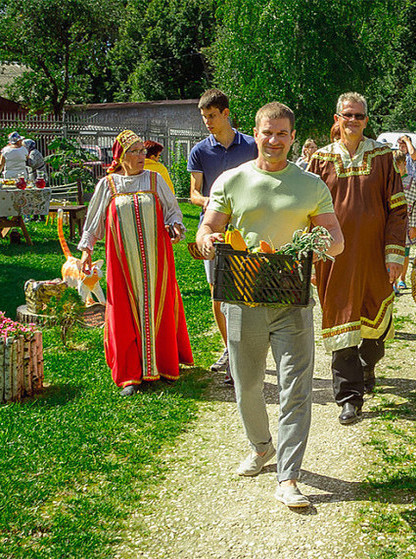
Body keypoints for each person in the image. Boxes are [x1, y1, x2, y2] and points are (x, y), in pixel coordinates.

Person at [195, 102, 344, 508]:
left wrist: (323, 243)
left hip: (292, 298)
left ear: (293, 137)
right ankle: (262, 447)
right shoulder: (231, 180)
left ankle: (289, 476)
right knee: (248, 385)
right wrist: (208, 237)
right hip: (243, 295)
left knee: (296, 388)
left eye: (282, 133)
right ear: (255, 133)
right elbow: (209, 224)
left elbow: (335, 236)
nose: (274, 140)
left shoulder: (311, 185)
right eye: (267, 132)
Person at [308, 92, 407, 425]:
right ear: (337, 118)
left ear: (367, 120)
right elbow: (305, 213)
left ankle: (367, 367)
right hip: (332, 258)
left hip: (375, 256)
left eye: (359, 116)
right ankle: (349, 397)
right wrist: (308, 254)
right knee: (340, 322)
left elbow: (397, 209)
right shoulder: (319, 161)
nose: (353, 121)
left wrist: (395, 253)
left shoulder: (383, 157)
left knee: (375, 327)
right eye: (347, 115)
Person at [78, 130, 193, 396]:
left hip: (157, 258)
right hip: (122, 261)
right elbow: (93, 220)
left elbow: (173, 209)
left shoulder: (154, 180)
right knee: (124, 311)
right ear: (122, 156)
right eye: (136, 152)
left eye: (143, 151)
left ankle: (162, 365)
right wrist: (86, 250)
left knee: (158, 303)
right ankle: (130, 374)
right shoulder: (108, 185)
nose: (142, 156)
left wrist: (175, 225)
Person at [188, 88, 258, 382]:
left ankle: (249, 351)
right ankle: (229, 349)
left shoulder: (253, 146)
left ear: (226, 113)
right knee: (218, 293)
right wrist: (211, 202)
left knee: (247, 291)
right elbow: (193, 192)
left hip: (246, 228)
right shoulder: (199, 151)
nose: (207, 122)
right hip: (214, 228)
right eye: (204, 117)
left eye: (212, 116)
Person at [392, 148, 416, 294]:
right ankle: (393, 281)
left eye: (399, 164)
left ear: (404, 163)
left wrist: (415, 226)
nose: (397, 168)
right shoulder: (389, 181)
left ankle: (402, 278)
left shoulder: (412, 181)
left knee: (405, 252)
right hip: (391, 222)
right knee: (391, 252)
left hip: (407, 221)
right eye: (394, 165)